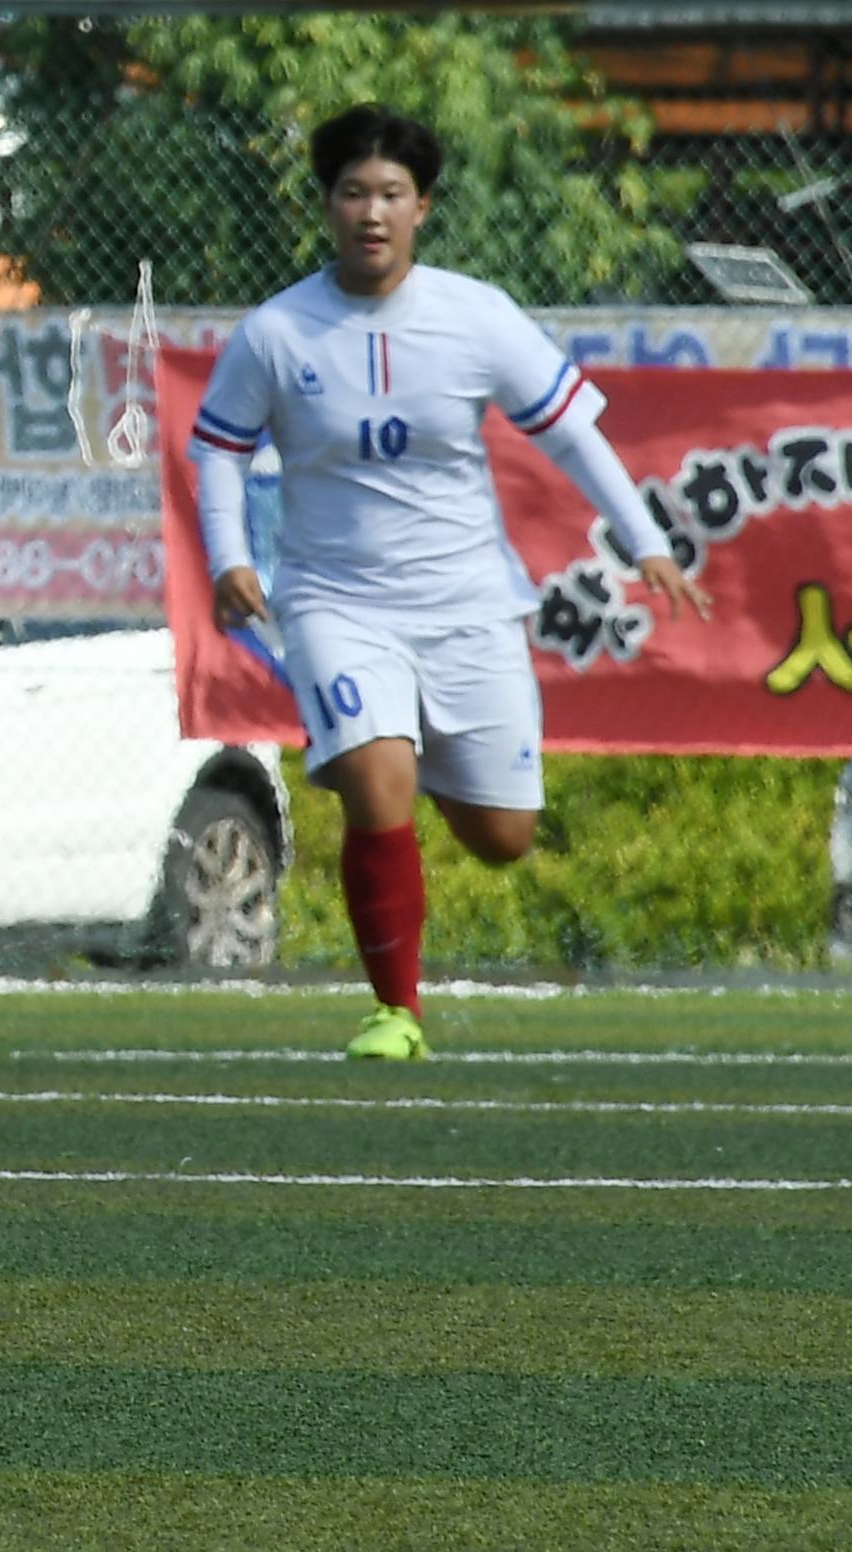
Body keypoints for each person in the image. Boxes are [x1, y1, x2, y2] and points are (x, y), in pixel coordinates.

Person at [188, 104, 711, 1064]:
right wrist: (230, 558)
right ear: (328, 205)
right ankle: (396, 1011)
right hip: (338, 604)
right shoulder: (276, 333)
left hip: (470, 606)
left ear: (422, 207)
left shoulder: (476, 315)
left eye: (391, 193)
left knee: (503, 836)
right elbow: (218, 449)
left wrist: (646, 541)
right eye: (353, 192)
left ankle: (411, 743)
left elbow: (568, 432)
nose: (371, 212)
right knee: (373, 784)